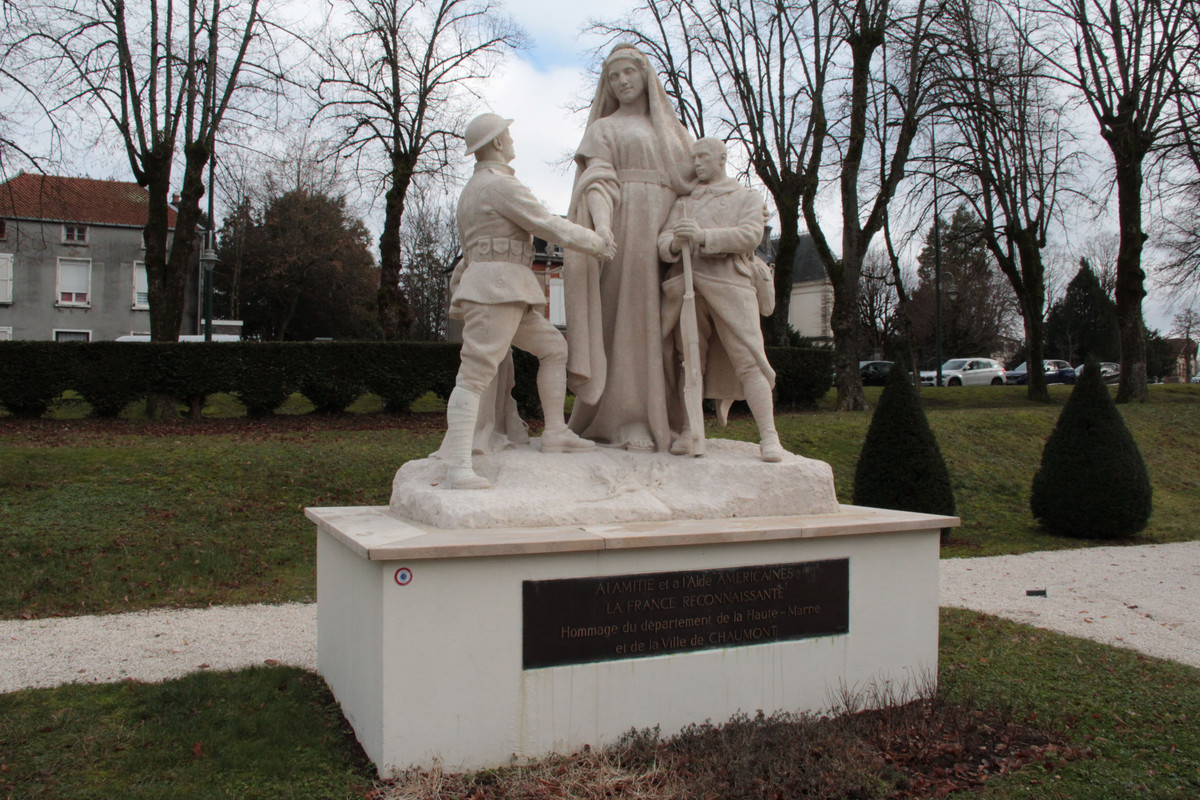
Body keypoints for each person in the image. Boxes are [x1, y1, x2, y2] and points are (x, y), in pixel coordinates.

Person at [441, 113, 615, 490]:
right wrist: (596, 243)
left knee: (553, 348)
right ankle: (457, 467)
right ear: (498, 143)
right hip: (496, 289)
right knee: (473, 376)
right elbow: (546, 224)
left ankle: (555, 431)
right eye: (508, 134)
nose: (512, 140)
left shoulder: (474, 188)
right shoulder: (497, 185)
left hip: (509, 288)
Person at [564, 43, 695, 452]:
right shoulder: (603, 129)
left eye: (628, 73)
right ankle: (625, 418)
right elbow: (596, 180)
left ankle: (676, 419)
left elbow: (695, 183)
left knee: (667, 327)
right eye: (613, 76)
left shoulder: (672, 132)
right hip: (625, 227)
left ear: (645, 76)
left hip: (669, 231)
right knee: (629, 322)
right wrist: (603, 227)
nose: (621, 82)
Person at [658, 137, 785, 462]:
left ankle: (769, 436)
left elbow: (750, 235)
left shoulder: (744, 196)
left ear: (721, 159)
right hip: (690, 286)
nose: (697, 164)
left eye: (703, 157)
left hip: (732, 285)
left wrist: (703, 237)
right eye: (694, 158)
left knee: (749, 358)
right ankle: (691, 430)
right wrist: (674, 243)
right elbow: (662, 241)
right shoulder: (685, 201)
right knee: (690, 360)